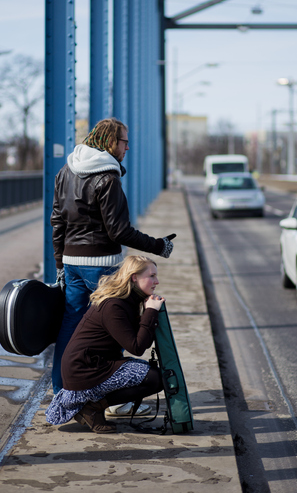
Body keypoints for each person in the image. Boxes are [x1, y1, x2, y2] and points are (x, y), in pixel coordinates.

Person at [50, 117, 175, 417]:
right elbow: (119, 232)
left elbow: (57, 221)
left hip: (72, 263)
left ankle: (61, 393)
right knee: (118, 328)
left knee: (70, 329)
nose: (127, 147)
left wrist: (59, 264)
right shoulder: (108, 177)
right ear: (109, 142)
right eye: (124, 141)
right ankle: (114, 402)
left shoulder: (66, 170)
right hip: (102, 266)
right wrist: (159, 246)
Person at [45, 256, 165, 433]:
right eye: (152, 276)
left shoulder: (127, 299)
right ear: (134, 277)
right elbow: (137, 347)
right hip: (84, 370)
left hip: (94, 365)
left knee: (152, 374)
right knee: (156, 378)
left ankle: (94, 406)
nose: (157, 281)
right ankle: (92, 408)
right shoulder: (114, 305)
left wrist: (148, 313)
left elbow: (137, 339)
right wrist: (151, 312)